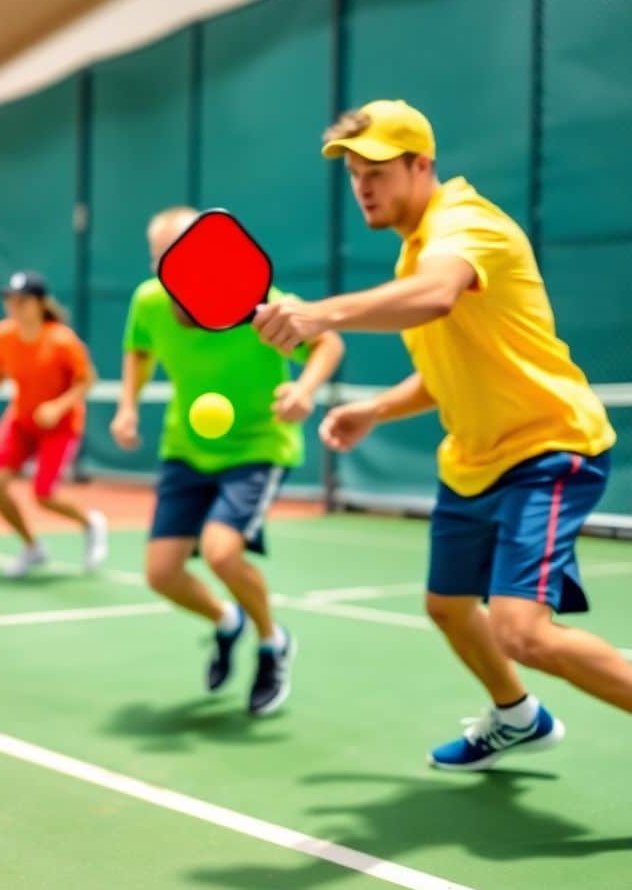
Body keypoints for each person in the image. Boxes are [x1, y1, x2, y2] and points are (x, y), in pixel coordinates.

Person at [252, 99, 628, 767]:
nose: (362, 184)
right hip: (473, 460)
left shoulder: (464, 223)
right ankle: (518, 717)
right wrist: (374, 412)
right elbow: (443, 374)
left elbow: (438, 296)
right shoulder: (411, 258)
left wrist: (317, 315)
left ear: (420, 164)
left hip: (545, 447)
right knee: (450, 607)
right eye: (351, 171)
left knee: (524, 633)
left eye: (376, 168)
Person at [111, 207, 344, 715]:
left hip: (257, 446)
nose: (164, 271)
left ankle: (270, 640)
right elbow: (138, 349)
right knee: (161, 573)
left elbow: (328, 342)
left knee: (220, 552)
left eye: (177, 258)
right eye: (158, 261)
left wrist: (304, 389)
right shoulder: (149, 301)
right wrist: (129, 404)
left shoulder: (262, 306)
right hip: (185, 447)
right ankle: (225, 620)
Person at [0, 270, 107, 577]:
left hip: (61, 425)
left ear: (40, 303)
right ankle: (32, 548)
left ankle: (91, 522)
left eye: (22, 300)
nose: (14, 306)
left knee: (44, 495)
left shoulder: (62, 340)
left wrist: (57, 406)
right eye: (9, 300)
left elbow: (87, 380)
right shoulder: (2, 334)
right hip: (22, 421)